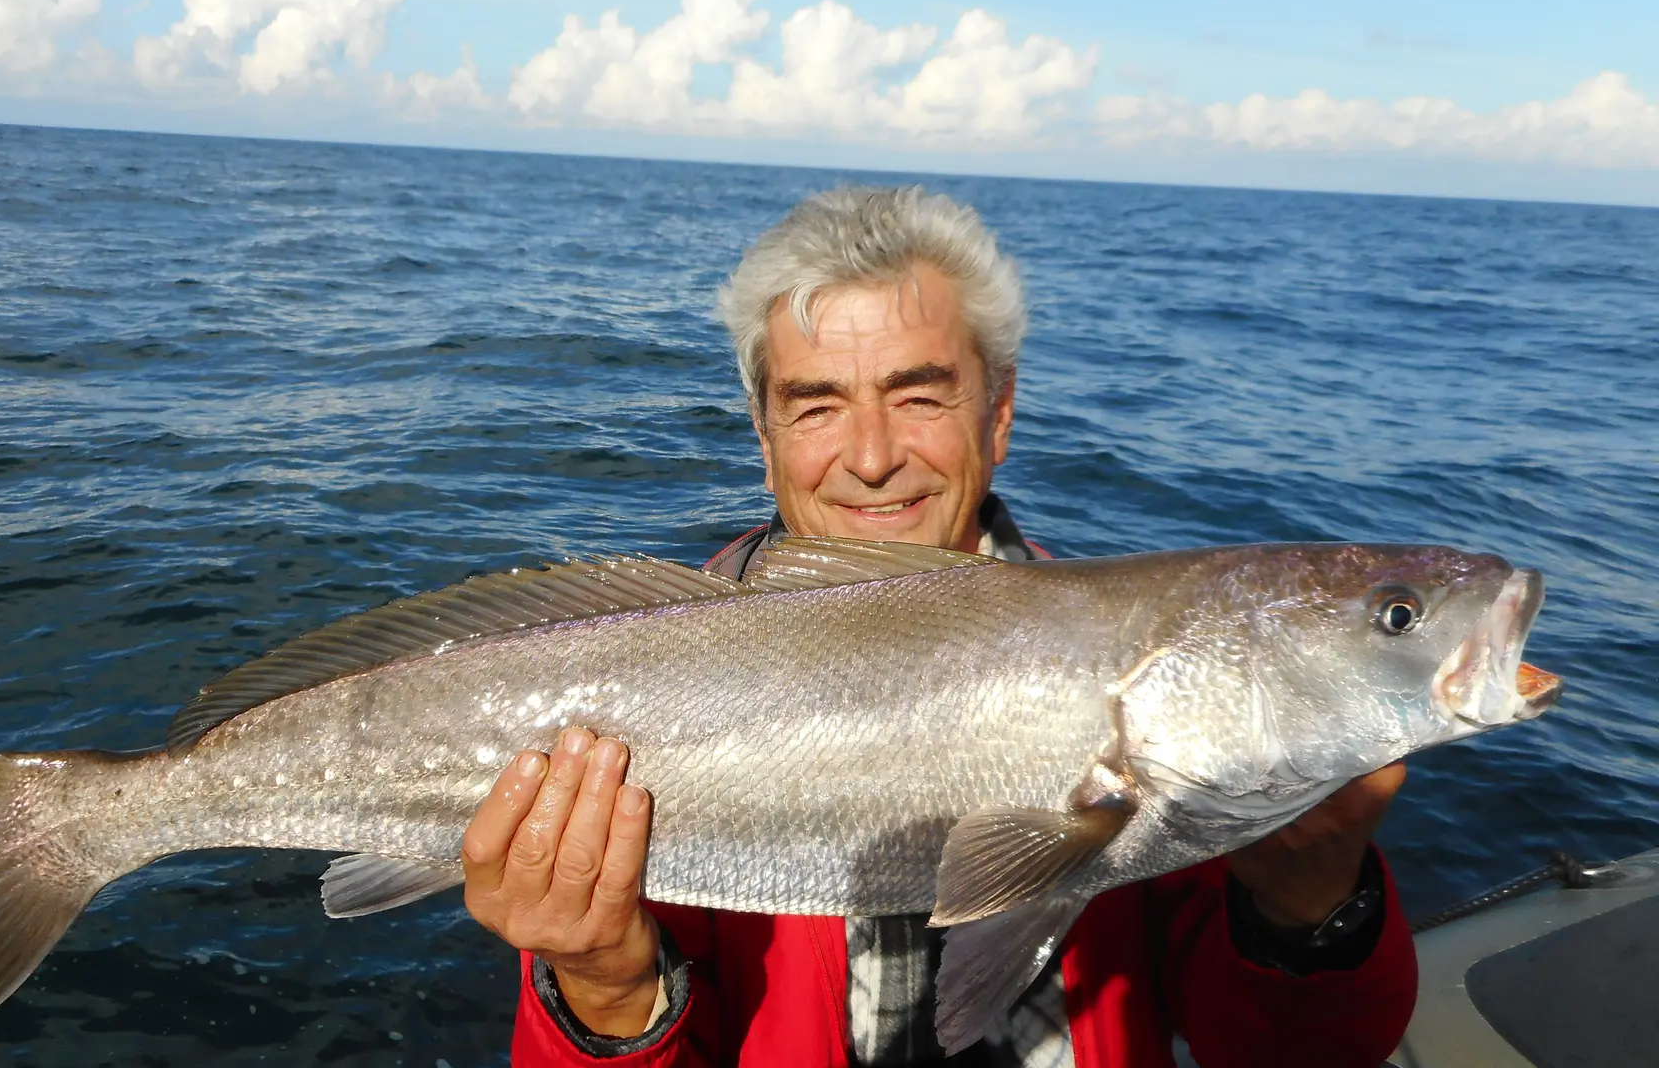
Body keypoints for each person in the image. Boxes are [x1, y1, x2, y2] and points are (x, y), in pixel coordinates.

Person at [461, 187, 1417, 1067]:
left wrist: (1309, 906)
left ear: (997, 416)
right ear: (765, 438)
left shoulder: (1161, 691)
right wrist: (604, 988)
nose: (872, 457)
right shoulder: (637, 682)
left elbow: (1294, 1051)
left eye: (919, 395)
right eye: (817, 404)